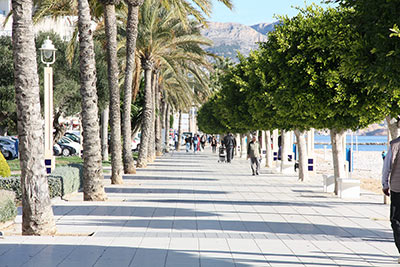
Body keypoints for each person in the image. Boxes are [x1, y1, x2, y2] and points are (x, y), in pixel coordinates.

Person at [382, 137, 400, 263]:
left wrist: (385, 184)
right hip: (396, 188)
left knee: (396, 220)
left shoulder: (395, 145)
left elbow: (387, 166)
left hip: (397, 188)